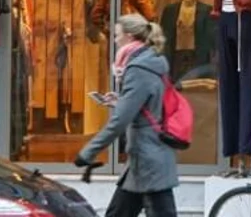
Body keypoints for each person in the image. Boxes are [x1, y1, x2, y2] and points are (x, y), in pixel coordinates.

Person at [75, 14, 180, 217]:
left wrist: (88, 152)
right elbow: (147, 104)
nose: (114, 40)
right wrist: (121, 101)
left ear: (130, 37)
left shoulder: (139, 68)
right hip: (143, 160)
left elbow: (118, 122)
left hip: (148, 161)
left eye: (117, 35)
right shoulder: (149, 61)